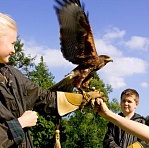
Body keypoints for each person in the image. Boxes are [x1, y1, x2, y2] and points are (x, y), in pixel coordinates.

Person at [0, 13, 103, 148]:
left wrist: (81, 100)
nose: (14, 50)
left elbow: (43, 97)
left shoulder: (12, 74)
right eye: (12, 43)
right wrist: (19, 124)